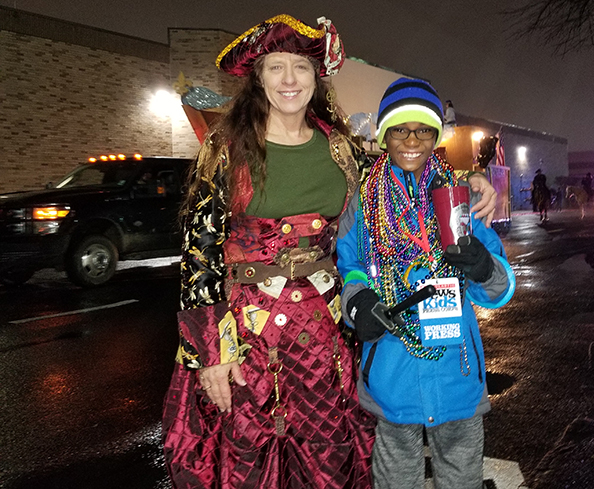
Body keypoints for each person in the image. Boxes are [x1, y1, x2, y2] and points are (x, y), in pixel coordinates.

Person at [161, 15, 499, 489]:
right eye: (276, 67)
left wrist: (467, 178)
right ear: (258, 77)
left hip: (324, 333)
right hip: (247, 334)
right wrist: (213, 353)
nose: (289, 80)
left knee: (327, 456)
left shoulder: (340, 148)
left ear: (315, 77)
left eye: (299, 67)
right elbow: (200, 252)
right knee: (248, 454)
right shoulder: (226, 147)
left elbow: (406, 171)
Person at [336, 78, 516, 489]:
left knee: (461, 478)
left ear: (436, 135)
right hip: (391, 370)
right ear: (384, 136)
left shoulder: (461, 196)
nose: (411, 139)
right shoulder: (364, 201)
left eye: (422, 129)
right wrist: (359, 301)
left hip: (457, 371)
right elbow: (351, 265)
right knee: (396, 478)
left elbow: (502, 289)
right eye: (400, 129)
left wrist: (484, 267)